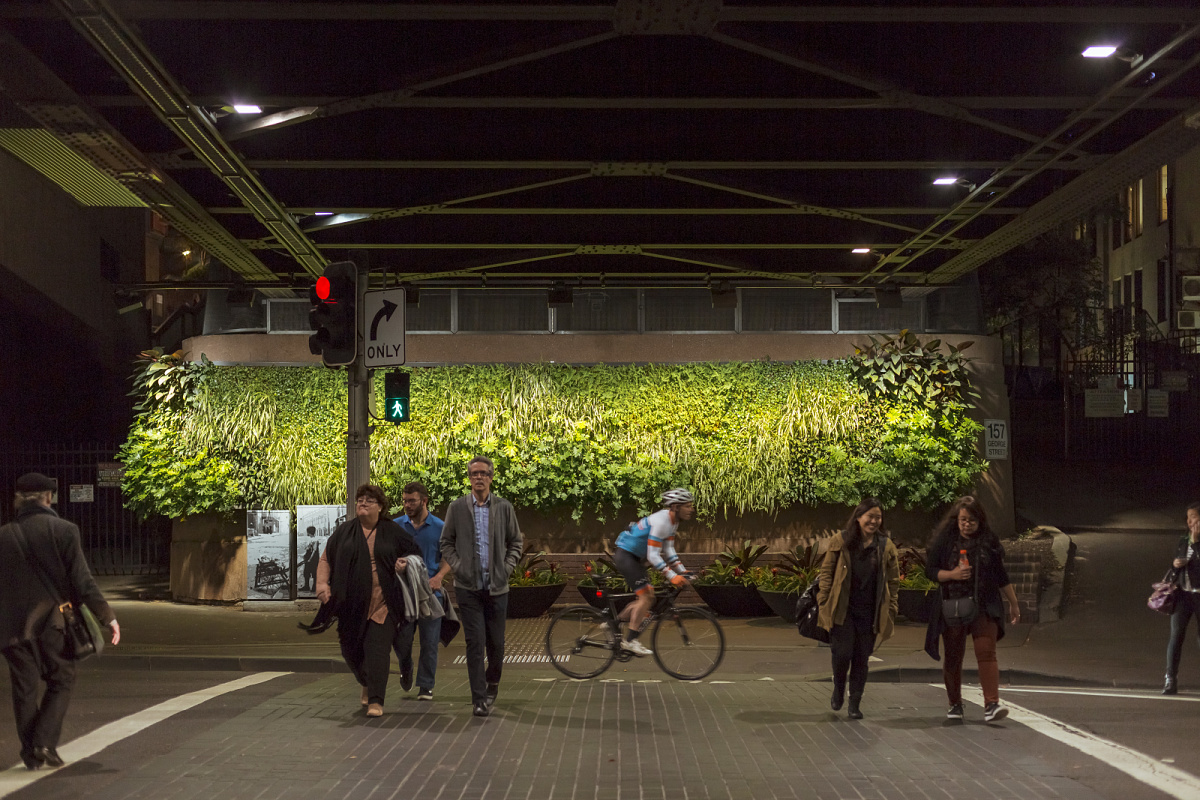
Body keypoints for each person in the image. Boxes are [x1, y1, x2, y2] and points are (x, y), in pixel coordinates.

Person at [0, 472, 120, 770]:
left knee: (24, 689)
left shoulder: (3, 536)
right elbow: (82, 581)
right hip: (52, 622)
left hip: (10, 627)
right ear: (48, 497)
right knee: (61, 680)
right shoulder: (64, 531)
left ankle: (32, 752)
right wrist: (108, 617)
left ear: (19, 500)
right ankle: (42, 743)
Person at [315, 484, 419, 717]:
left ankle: (376, 700)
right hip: (351, 604)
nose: (362, 503)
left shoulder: (392, 531)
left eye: (368, 500)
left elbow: (415, 554)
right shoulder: (344, 532)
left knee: (377, 649)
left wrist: (406, 563)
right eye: (359, 499)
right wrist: (322, 584)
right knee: (350, 649)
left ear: (380, 507)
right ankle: (366, 681)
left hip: (384, 602)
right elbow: (326, 559)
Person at [924, 495, 1020, 722]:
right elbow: (930, 571)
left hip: (984, 603)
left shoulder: (988, 542)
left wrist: (1013, 603)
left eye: (972, 521)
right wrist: (952, 575)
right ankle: (955, 704)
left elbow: (1001, 575)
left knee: (986, 653)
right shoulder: (946, 541)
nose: (967, 525)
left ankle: (991, 705)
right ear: (956, 519)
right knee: (953, 656)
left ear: (980, 521)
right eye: (963, 520)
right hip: (952, 603)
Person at [440, 456, 523, 717]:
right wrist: (459, 566)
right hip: (468, 587)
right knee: (474, 642)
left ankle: (493, 683)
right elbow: (446, 543)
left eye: (483, 473)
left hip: (497, 587)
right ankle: (478, 698)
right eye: (474, 474)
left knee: (496, 643)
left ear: (491, 477)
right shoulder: (457, 508)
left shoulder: (504, 507)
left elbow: (516, 543)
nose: (478, 478)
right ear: (469, 478)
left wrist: (506, 568)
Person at [816, 497, 900, 720]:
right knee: (842, 654)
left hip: (870, 613)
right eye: (870, 516)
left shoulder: (885, 546)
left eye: (878, 517)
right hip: (843, 610)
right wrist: (823, 603)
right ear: (858, 517)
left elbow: (893, 580)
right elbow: (826, 575)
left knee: (862, 659)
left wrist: (891, 607)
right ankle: (838, 688)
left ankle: (855, 703)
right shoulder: (841, 541)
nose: (874, 521)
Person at [611, 488, 696, 656]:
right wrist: (672, 576)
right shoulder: (662, 521)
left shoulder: (673, 521)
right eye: (687, 506)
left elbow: (669, 549)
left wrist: (682, 570)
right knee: (646, 597)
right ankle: (629, 641)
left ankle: (612, 624)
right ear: (676, 507)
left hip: (635, 558)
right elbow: (653, 555)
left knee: (648, 597)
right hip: (626, 556)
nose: (691, 509)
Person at [393, 481, 450, 700]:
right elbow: (386, 554)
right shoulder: (397, 526)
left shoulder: (440, 527)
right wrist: (394, 565)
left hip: (429, 594)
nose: (407, 505)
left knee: (429, 642)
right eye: (405, 501)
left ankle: (425, 686)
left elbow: (450, 556)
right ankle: (405, 666)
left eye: (412, 501)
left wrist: (439, 576)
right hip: (404, 593)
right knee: (402, 640)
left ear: (424, 501)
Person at [1162, 501, 1200, 695]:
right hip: (1183, 595)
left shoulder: (1193, 541)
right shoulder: (1183, 540)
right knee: (1176, 636)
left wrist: (1196, 543)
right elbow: (1175, 563)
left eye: (1193, 517)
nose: (1190, 521)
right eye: (1188, 518)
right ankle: (1170, 679)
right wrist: (1176, 564)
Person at [301, 527, 319, 592]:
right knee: (306, 572)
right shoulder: (310, 539)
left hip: (313, 559)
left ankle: (314, 587)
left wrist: (310, 559)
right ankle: (306, 586)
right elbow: (307, 549)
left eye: (307, 532)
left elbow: (314, 550)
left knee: (314, 573)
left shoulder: (315, 540)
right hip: (308, 557)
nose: (307, 533)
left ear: (309, 532)